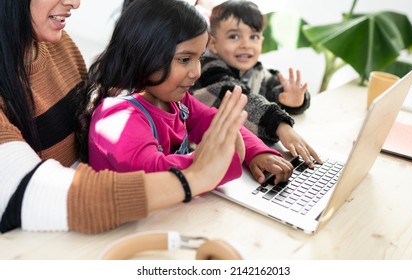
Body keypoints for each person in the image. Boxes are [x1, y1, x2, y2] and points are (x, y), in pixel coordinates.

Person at [0, 0, 249, 234]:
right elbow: (36, 193)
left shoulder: (59, 45)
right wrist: (195, 176)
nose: (76, 3)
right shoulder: (121, 113)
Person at [80, 0, 294, 188]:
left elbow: (213, 121)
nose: (196, 72)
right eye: (184, 59)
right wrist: (218, 160)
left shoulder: (175, 100)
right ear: (145, 55)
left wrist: (256, 151)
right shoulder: (118, 117)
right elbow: (153, 174)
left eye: (199, 59)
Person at [191, 0, 322, 167]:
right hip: (208, 157)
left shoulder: (258, 71)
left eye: (253, 37)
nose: (246, 45)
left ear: (261, 41)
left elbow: (275, 89)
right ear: (213, 44)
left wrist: (294, 99)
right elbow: (239, 98)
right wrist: (280, 125)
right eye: (234, 36)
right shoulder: (208, 69)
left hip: (249, 151)